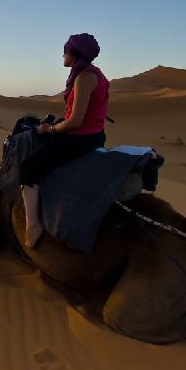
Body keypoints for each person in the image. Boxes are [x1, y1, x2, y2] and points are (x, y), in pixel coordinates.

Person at [20, 33, 109, 249]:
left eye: (66, 50)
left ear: (74, 53)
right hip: (92, 134)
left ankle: (33, 225)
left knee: (28, 166)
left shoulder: (85, 77)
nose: (63, 54)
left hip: (79, 138)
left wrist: (50, 128)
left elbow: (75, 122)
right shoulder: (92, 74)